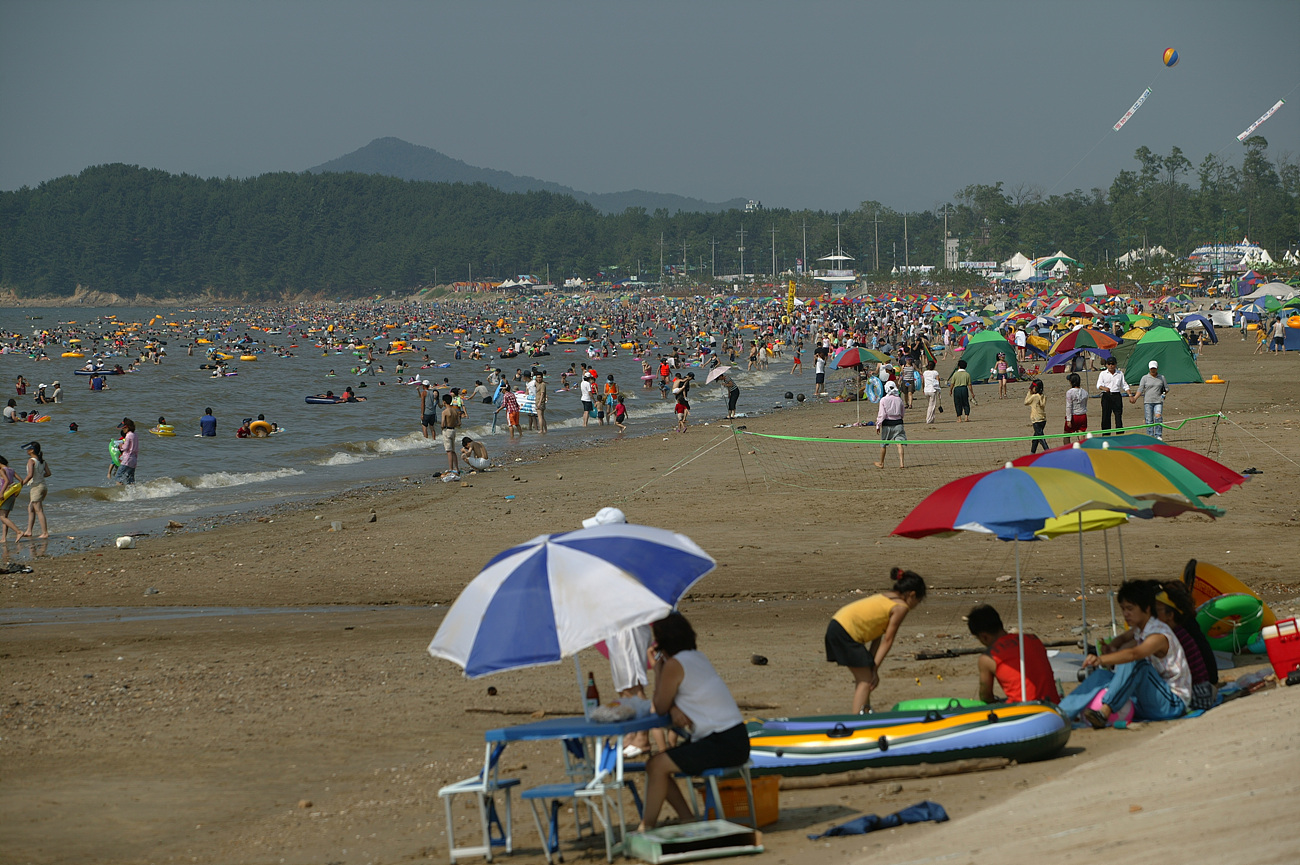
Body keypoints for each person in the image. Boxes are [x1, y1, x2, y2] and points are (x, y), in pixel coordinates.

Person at [636, 612, 748, 832]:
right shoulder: (697, 657)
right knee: (657, 763)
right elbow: (679, 696)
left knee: (656, 765)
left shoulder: (674, 665)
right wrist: (675, 707)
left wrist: (657, 667)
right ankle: (686, 819)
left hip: (721, 741)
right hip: (734, 738)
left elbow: (659, 706)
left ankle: (646, 827)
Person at [1058, 579, 1189, 727]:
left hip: (1172, 704)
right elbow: (1122, 638)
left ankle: (1105, 710)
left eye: (1130, 608)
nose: (1126, 614)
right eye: (1123, 609)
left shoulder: (1159, 635)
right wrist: (1111, 646)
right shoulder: (1141, 629)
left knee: (1136, 663)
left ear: (1146, 608)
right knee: (1102, 675)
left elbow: (1134, 654)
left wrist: (1101, 659)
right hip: (1149, 700)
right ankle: (1062, 714)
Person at [825, 568, 927, 713]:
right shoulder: (901, 607)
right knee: (866, 680)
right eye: (918, 601)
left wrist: (872, 666)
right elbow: (888, 640)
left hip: (837, 625)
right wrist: (874, 670)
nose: (916, 605)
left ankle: (864, 714)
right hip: (845, 632)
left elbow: (877, 637)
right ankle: (857, 723)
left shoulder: (886, 597)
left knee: (865, 678)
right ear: (912, 595)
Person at [966, 604, 1060, 704]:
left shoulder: (988, 658)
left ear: (984, 637)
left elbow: (986, 696)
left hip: (1025, 712)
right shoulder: (1033, 639)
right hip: (1053, 706)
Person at [18, 441, 50, 540]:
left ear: (32, 450)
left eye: (28, 449)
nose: (27, 451)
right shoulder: (42, 461)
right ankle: (29, 531)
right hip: (43, 486)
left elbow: (30, 475)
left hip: (36, 488)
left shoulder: (31, 460)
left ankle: (45, 533)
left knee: (39, 510)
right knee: (31, 508)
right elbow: (48, 473)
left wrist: (21, 484)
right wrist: (40, 476)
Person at [1131, 360, 1168, 440]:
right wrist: (1135, 398)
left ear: (1157, 368)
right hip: (1148, 401)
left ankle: (1158, 435)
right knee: (1149, 420)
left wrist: (1163, 394)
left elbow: (1166, 389)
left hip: (1158, 401)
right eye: (1151, 368)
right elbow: (1140, 389)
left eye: (1154, 368)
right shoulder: (1145, 378)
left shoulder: (1162, 378)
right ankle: (1150, 436)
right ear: (1149, 369)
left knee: (1158, 417)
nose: (1153, 370)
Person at [874, 381, 906, 469]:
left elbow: (882, 414)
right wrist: (900, 418)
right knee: (899, 443)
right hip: (898, 423)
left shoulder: (883, 400)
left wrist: (878, 424)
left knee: (883, 444)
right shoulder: (899, 399)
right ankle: (901, 463)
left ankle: (881, 463)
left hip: (887, 423)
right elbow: (902, 411)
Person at [1095, 356, 1129, 434]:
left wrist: (1130, 394)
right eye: (1109, 364)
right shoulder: (1103, 373)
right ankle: (1106, 434)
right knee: (1106, 415)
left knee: (1118, 415)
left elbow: (1124, 385)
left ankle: (1119, 433)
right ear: (1106, 365)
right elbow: (1098, 385)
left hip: (1116, 395)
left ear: (1115, 365)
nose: (1111, 365)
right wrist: (1104, 388)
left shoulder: (1120, 373)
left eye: (1112, 364)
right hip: (1106, 396)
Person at [0, 456, 22, 542]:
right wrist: (17, 492)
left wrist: (2, 493)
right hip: (12, 495)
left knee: (2, 517)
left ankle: (18, 532)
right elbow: (21, 481)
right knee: (5, 517)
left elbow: (6, 481)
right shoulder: (11, 470)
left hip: (4, 496)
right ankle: (3, 538)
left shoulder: (2, 470)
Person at [439, 394, 461, 476]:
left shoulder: (444, 412)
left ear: (444, 402)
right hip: (453, 430)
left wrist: (442, 428)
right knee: (453, 451)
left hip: (447, 430)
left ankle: (451, 469)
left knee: (449, 451)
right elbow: (459, 423)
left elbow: (442, 424)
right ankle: (457, 468)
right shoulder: (455, 411)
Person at [1064, 372, 1088, 444]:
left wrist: (1068, 419)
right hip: (1083, 415)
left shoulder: (1069, 392)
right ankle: (1082, 449)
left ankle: (1066, 450)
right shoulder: (1085, 392)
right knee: (1081, 433)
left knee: (1066, 434)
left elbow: (1069, 406)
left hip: (1074, 415)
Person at [1024, 379, 1048, 453]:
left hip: (1036, 420)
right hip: (1043, 419)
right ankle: (1032, 453)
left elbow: (1026, 402)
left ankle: (1048, 451)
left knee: (1041, 438)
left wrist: (1029, 393)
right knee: (1035, 439)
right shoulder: (1043, 396)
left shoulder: (1034, 397)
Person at [116, 418, 138, 484]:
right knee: (130, 479)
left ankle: (122, 493)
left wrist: (120, 446)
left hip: (127, 459)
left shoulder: (128, 435)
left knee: (118, 478)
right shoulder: (135, 434)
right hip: (134, 460)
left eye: (123, 428)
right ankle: (133, 493)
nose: (122, 430)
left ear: (127, 427)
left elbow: (125, 447)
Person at [922, 360, 941, 426]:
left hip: (926, 390)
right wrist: (939, 389)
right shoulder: (935, 372)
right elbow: (938, 380)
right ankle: (928, 419)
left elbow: (923, 381)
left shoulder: (925, 372)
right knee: (932, 405)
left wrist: (923, 389)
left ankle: (932, 418)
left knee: (931, 404)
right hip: (932, 390)